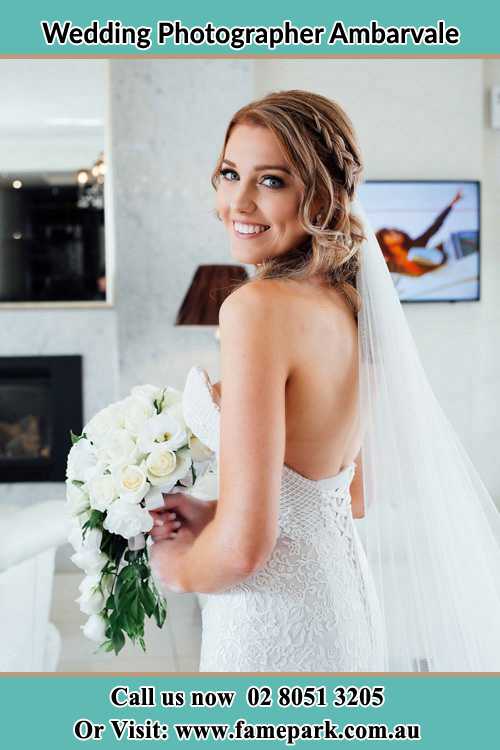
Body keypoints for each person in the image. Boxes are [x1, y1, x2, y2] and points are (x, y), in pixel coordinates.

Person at [149, 91, 500, 672]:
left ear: (322, 195)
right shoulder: (349, 303)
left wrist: (175, 566)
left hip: (271, 624)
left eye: (272, 181)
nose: (238, 201)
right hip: (343, 605)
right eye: (230, 173)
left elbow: (243, 552)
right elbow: (345, 495)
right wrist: (215, 514)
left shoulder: (256, 308)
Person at [376, 191, 463, 276]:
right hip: (425, 277)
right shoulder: (390, 264)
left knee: (413, 253)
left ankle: (444, 258)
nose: (394, 234)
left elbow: (434, 227)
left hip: (445, 257)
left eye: (394, 231)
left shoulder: (415, 246)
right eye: (388, 234)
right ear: (383, 243)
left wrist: (452, 204)